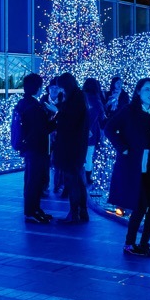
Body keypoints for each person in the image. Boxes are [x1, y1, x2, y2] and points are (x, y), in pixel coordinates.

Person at [105, 77, 150, 258]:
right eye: (147, 90)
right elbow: (109, 128)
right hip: (131, 165)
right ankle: (129, 243)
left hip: (148, 165)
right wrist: (122, 148)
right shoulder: (129, 111)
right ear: (138, 91)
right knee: (141, 205)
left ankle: (144, 243)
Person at [10, 73, 54, 224]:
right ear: (38, 87)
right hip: (36, 148)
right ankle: (31, 211)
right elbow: (42, 129)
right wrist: (57, 117)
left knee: (32, 179)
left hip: (29, 147)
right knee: (34, 181)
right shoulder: (34, 106)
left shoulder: (24, 103)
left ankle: (35, 209)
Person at [52, 73, 90, 223]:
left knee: (73, 179)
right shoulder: (79, 96)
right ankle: (82, 212)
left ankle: (74, 213)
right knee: (78, 179)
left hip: (71, 146)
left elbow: (69, 120)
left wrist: (57, 112)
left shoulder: (75, 98)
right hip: (77, 145)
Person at [82, 78, 106, 191]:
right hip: (91, 132)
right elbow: (98, 115)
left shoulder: (81, 97)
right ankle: (87, 177)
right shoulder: (95, 99)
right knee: (89, 155)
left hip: (81, 130)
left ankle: (83, 176)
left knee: (84, 155)